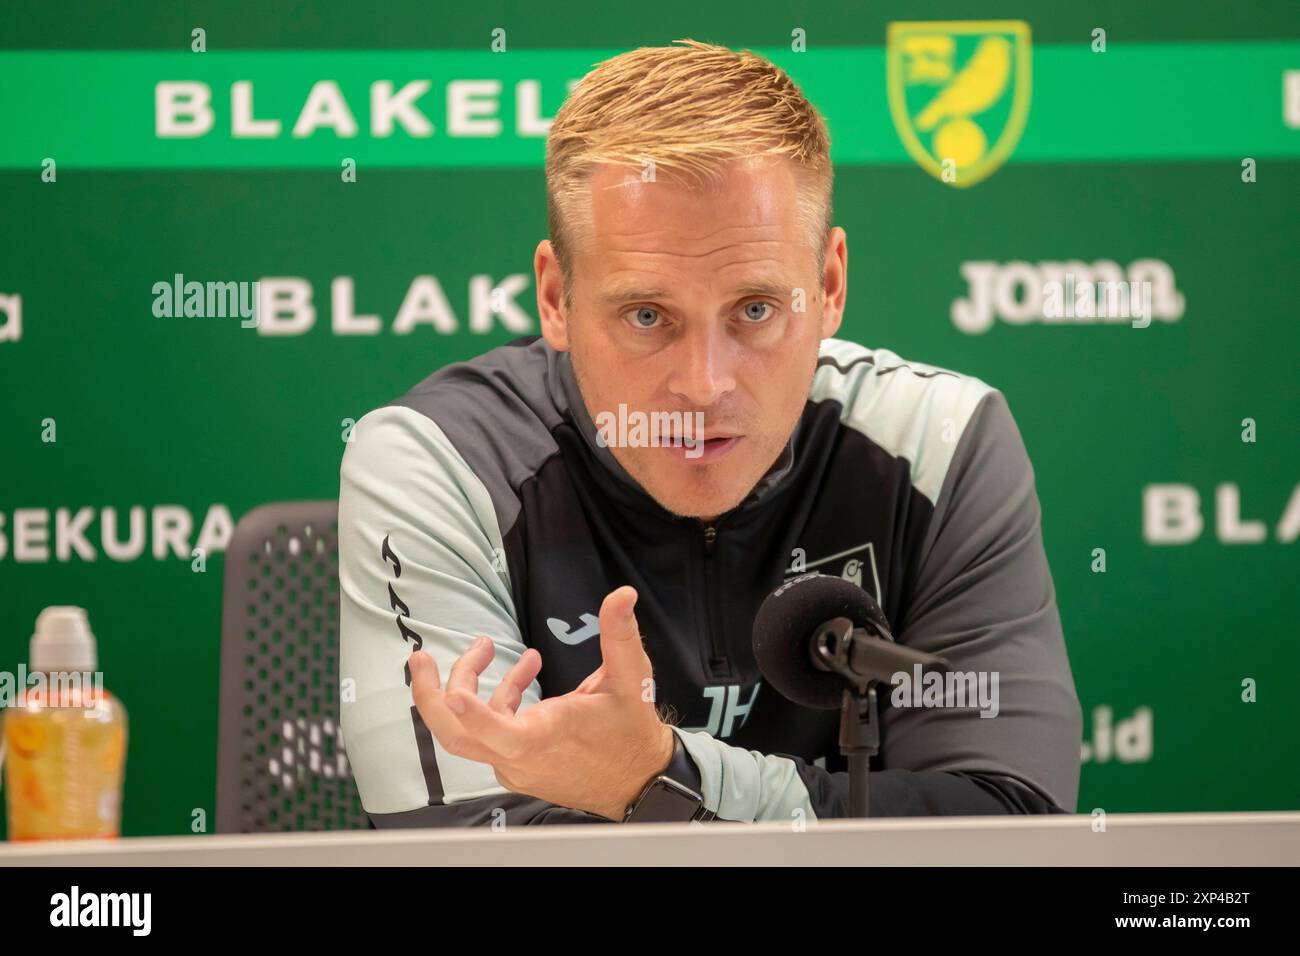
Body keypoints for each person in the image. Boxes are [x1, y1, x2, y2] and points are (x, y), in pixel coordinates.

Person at [337, 39, 1082, 826]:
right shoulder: (438, 460)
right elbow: (461, 839)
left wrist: (660, 776)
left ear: (828, 286)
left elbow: (1010, 824)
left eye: (755, 310)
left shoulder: (940, 442)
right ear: (556, 298)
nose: (704, 384)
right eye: (647, 316)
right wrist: (700, 793)